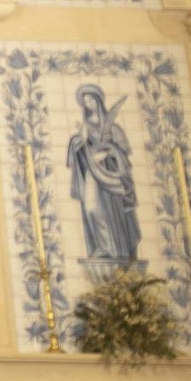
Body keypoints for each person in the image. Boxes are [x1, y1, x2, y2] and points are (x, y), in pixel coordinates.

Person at [67, 84, 141, 261]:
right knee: (91, 208)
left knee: (115, 211)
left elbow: (123, 152)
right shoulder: (85, 127)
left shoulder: (113, 128)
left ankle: (117, 251)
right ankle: (103, 247)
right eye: (85, 101)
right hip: (93, 172)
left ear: (98, 101)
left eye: (91, 99)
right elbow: (77, 148)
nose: (88, 103)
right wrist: (79, 142)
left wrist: (108, 153)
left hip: (112, 173)